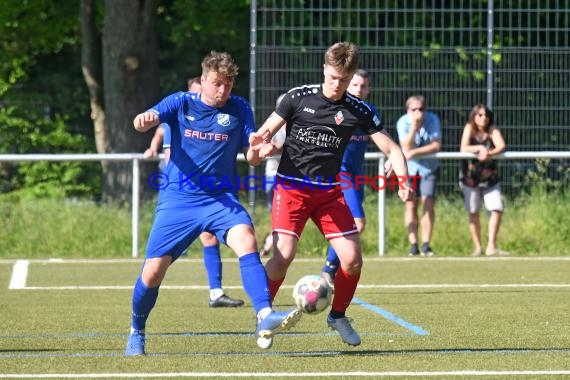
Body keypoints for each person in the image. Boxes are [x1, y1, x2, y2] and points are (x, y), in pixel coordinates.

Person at [125, 51, 301, 356]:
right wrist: (144, 120)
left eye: (228, 86)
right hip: (178, 200)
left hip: (220, 199)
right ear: (203, 80)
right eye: (217, 84)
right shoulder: (180, 102)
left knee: (247, 239)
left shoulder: (239, 107)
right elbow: (148, 120)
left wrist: (261, 152)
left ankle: (263, 316)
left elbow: (251, 152)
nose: (222, 91)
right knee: (152, 273)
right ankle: (136, 330)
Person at [249, 42, 414, 347]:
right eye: (333, 77)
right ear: (325, 69)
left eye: (344, 79)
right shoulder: (297, 98)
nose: (337, 84)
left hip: (328, 193)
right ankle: (263, 316)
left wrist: (404, 182)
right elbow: (260, 141)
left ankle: (337, 316)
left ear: (351, 76)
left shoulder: (357, 109)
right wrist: (257, 149)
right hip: (292, 188)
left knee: (352, 261)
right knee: (282, 255)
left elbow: (392, 149)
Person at [143, 77, 244, 308]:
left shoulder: (220, 114)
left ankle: (216, 292)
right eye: (196, 90)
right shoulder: (180, 113)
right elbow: (167, 147)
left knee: (210, 237)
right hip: (181, 189)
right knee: (156, 265)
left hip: (209, 191)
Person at [320, 69, 377, 285]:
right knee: (357, 222)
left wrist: (392, 157)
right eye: (354, 85)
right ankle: (329, 269)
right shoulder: (339, 108)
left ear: (369, 89)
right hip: (340, 172)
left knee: (348, 222)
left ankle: (329, 269)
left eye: (363, 86)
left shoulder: (369, 111)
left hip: (357, 174)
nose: (359, 90)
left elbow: (382, 138)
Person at [396, 95, 442, 256]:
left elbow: (436, 145)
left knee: (428, 204)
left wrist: (414, 152)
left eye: (421, 109)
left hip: (429, 169)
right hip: (409, 169)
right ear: (408, 110)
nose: (418, 112)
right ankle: (413, 245)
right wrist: (415, 127)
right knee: (410, 204)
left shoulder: (432, 119)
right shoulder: (403, 122)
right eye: (414, 109)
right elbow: (405, 146)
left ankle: (426, 245)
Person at [459, 104, 507, 256]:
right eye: (480, 115)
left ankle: (491, 246)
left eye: (486, 115)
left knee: (497, 208)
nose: (483, 118)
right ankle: (478, 247)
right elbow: (464, 147)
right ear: (474, 116)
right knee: (473, 211)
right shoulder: (469, 128)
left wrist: (489, 153)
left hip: (489, 178)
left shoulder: (492, 129)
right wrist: (479, 149)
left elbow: (501, 146)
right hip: (471, 178)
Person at [259, 93, 287, 257]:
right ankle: (271, 243)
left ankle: (271, 243)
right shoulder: (274, 122)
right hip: (273, 173)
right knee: (276, 213)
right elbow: (272, 145)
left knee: (281, 214)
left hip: (288, 175)